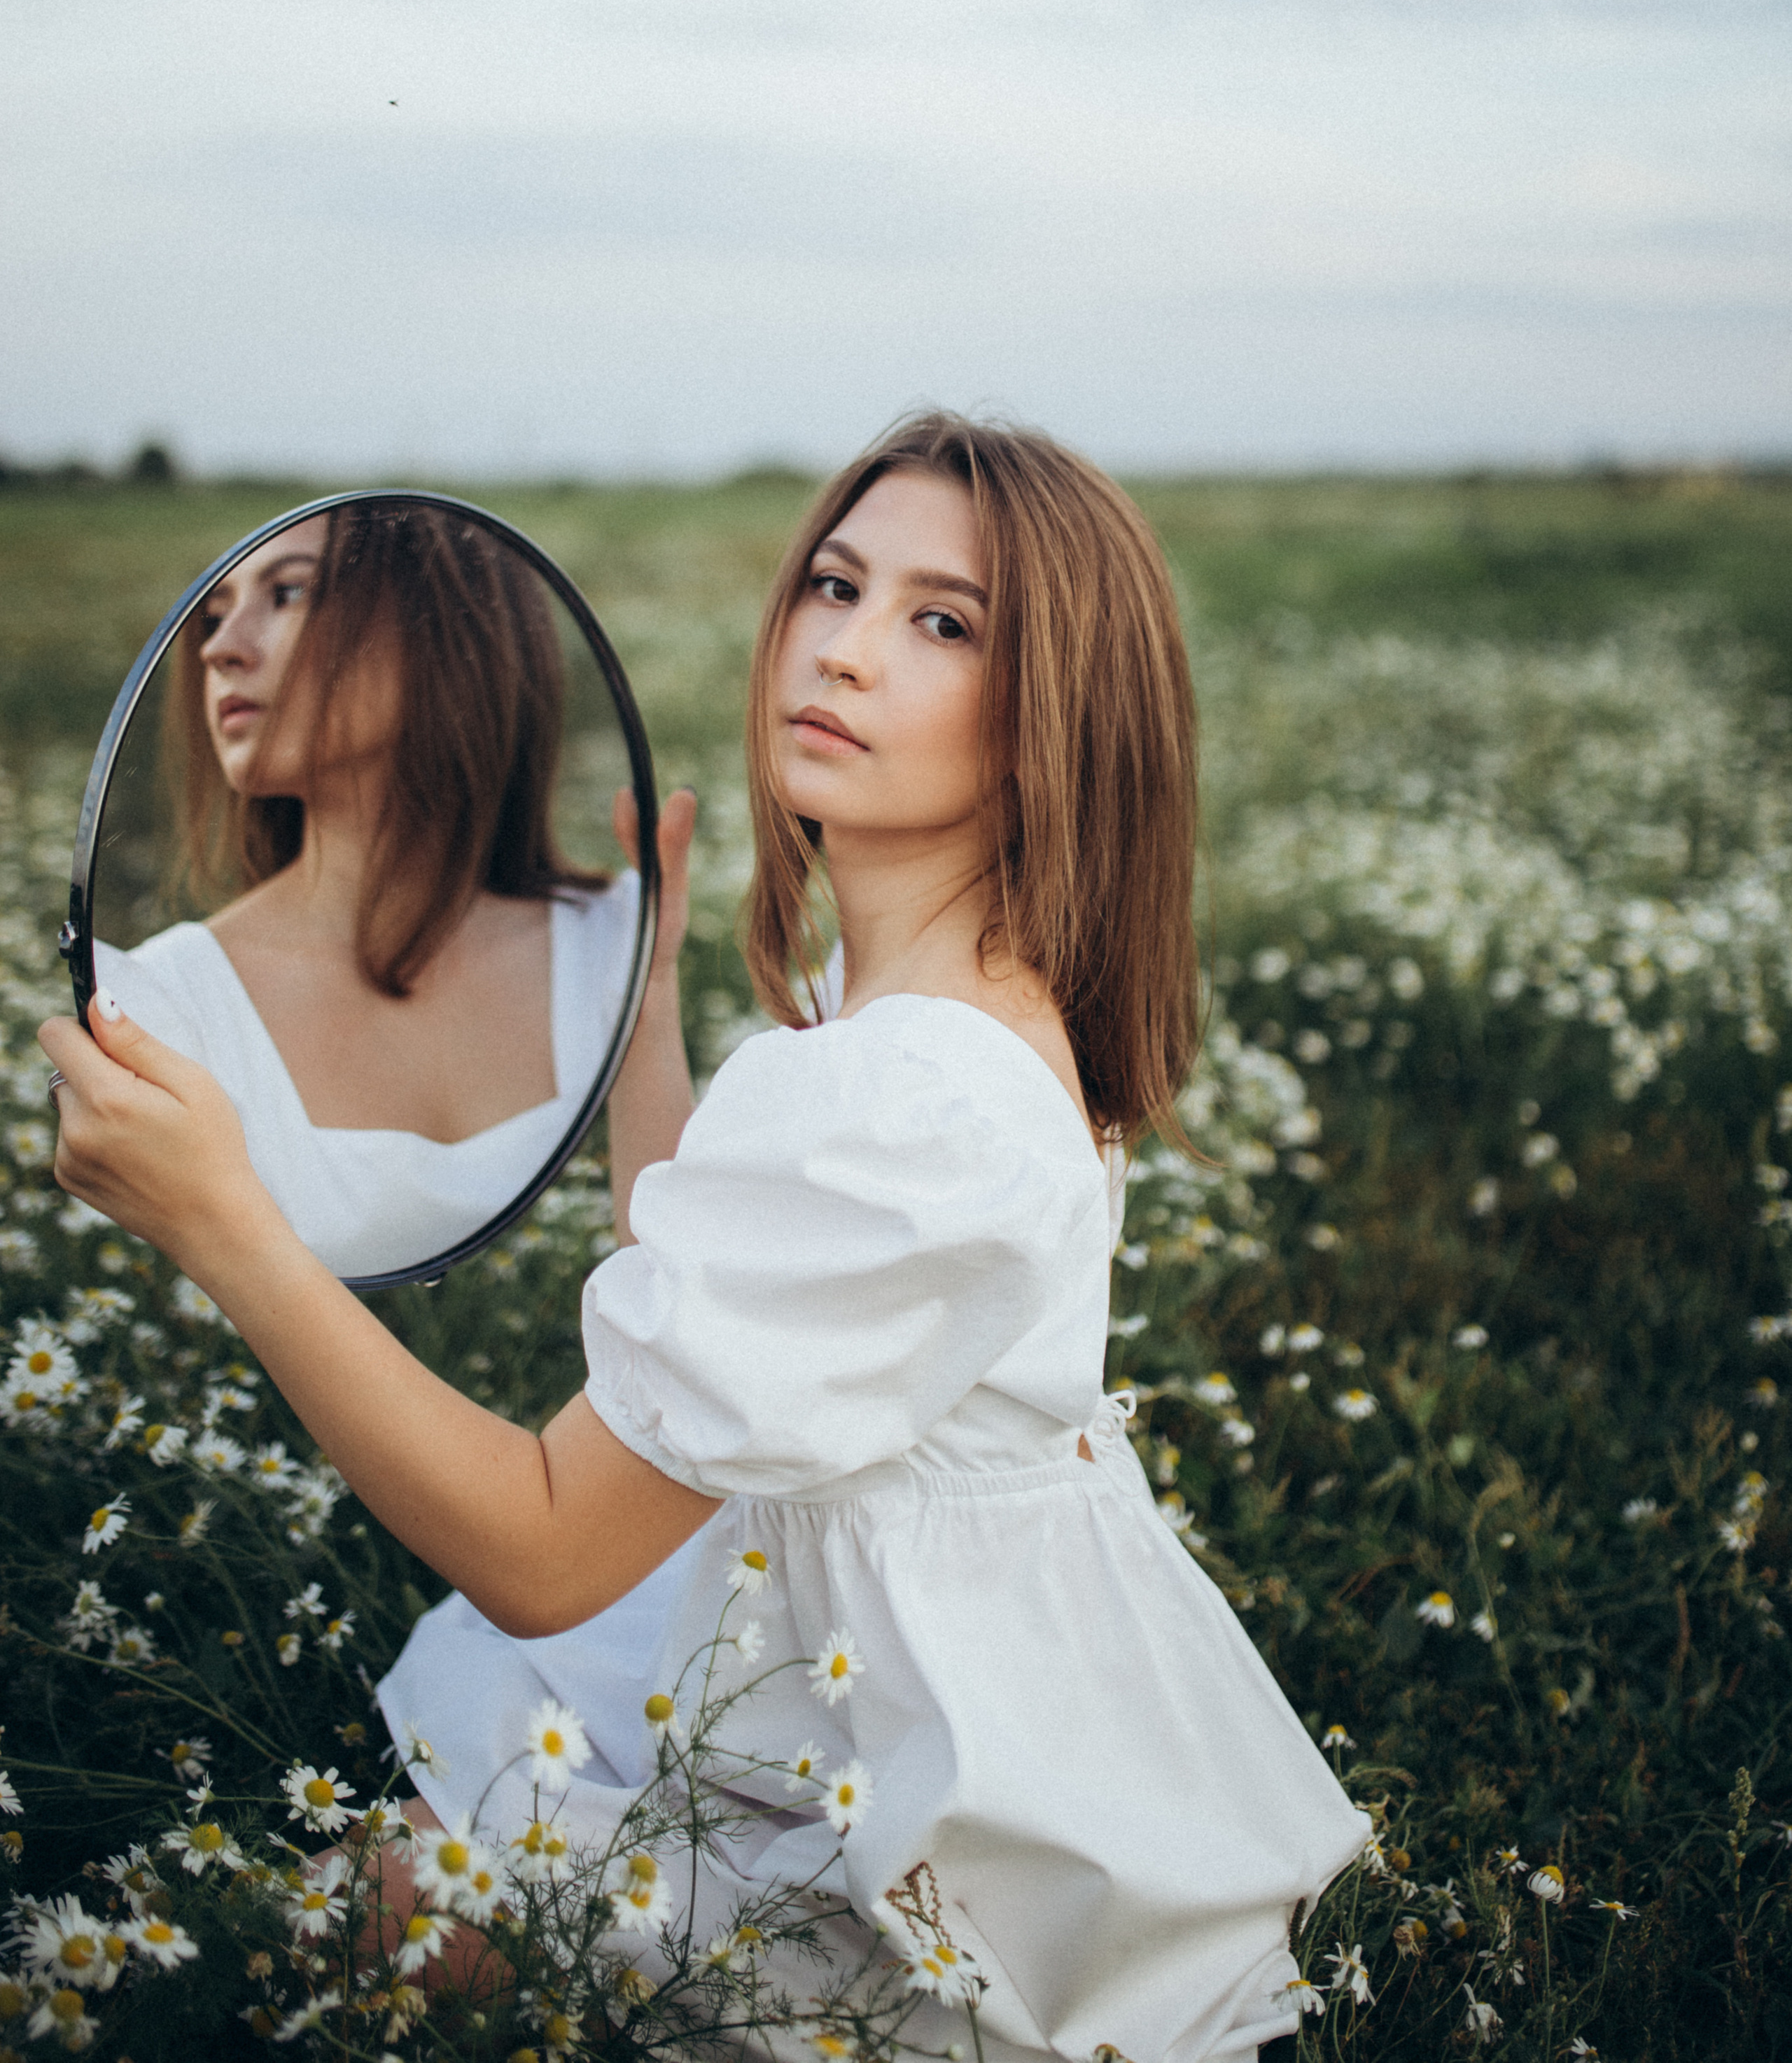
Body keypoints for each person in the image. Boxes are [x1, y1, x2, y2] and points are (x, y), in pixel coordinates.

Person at [43, 415, 1368, 2062]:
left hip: (923, 1830)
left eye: (940, 622)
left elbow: (540, 1550)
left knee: (368, 1903)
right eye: (833, 581)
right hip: (895, 1682)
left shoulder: (909, 1094)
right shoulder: (934, 1007)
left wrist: (226, 1220)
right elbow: (734, 1311)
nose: (843, 645)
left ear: (1054, 718)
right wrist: (646, 1003)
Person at [92, 498, 643, 1275]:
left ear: (444, 631)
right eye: (213, 614)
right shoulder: (158, 1008)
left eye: (287, 592)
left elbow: (667, 1300)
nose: (219, 647)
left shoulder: (615, 942)